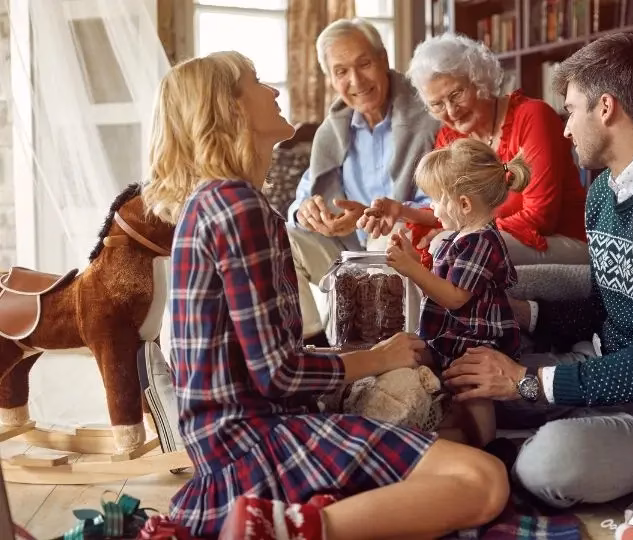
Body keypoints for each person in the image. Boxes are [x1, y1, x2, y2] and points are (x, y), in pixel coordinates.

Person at [141, 51, 508, 537]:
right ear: (228, 108)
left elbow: (264, 363)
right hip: (250, 445)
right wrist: (379, 357)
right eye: (255, 81)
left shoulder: (211, 201)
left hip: (224, 443)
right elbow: (279, 373)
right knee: (484, 480)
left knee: (442, 456)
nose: (273, 90)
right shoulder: (237, 206)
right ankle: (284, 529)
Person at [441, 33, 633, 508]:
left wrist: (524, 381)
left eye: (570, 111)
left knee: (548, 463)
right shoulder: (604, 192)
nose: (564, 130)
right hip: (601, 364)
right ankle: (519, 448)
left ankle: (520, 458)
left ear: (605, 108)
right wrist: (525, 313)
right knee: (466, 389)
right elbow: (603, 307)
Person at [361, 33, 589, 266]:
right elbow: (450, 211)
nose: (450, 111)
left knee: (450, 247)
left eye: (456, 94)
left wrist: (456, 236)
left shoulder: (532, 117)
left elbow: (540, 218)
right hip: (492, 235)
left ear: (478, 79)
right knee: (390, 242)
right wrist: (401, 211)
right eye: (437, 104)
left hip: (558, 241)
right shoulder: (450, 137)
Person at [287, 18, 440, 344]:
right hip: (346, 254)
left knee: (387, 240)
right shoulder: (333, 130)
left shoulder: (427, 117)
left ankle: (388, 349)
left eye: (364, 64)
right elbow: (305, 194)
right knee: (282, 239)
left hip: (403, 247)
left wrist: (391, 214)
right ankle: (315, 347)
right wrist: (306, 212)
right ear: (330, 79)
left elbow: (445, 200)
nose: (355, 80)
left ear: (384, 60)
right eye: (341, 71)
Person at [384, 138, 529, 448]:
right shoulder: (458, 238)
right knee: (440, 379)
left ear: (464, 204)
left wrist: (412, 270)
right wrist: (412, 259)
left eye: (436, 200)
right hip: (451, 334)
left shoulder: (481, 241)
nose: (432, 209)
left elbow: (455, 297)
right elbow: (440, 283)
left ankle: (489, 447)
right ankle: (449, 431)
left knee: (473, 391)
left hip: (474, 339)